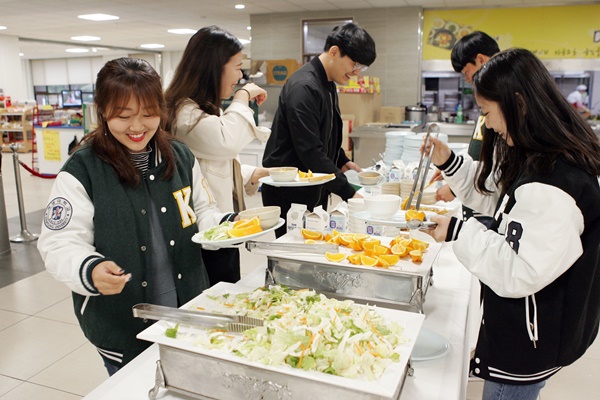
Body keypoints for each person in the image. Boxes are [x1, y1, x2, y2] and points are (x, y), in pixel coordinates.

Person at [423, 48, 600, 400]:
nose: (487, 124)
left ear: (518, 104)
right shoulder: (542, 155)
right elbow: (504, 203)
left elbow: (518, 270)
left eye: (488, 113)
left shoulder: (555, 182)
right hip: (529, 326)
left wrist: (457, 231)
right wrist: (450, 162)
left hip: (530, 337)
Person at [37, 57, 230, 376]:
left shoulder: (181, 157)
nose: (138, 127)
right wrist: (91, 268)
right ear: (102, 111)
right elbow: (59, 242)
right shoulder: (82, 171)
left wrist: (227, 227)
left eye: (148, 114)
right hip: (122, 325)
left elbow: (203, 212)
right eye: (123, 116)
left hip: (187, 309)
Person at [165, 25, 271, 284]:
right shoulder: (184, 114)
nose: (240, 75)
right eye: (236, 66)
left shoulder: (201, 110)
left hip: (221, 224)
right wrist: (243, 96)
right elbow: (226, 142)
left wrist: (249, 173)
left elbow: (212, 162)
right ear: (214, 67)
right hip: (201, 231)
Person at [262, 22, 376, 237]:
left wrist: (341, 160)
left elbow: (326, 132)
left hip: (314, 183)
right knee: (295, 257)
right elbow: (310, 151)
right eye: (355, 64)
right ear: (334, 52)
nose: (357, 72)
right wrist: (349, 193)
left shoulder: (328, 83)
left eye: (362, 67)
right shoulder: (304, 87)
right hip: (290, 191)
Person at [434, 31, 499, 229]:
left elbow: (499, 170)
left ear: (481, 59)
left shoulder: (503, 101)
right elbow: (480, 151)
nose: (468, 79)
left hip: (488, 206)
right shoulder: (491, 98)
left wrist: (456, 188)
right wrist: (452, 166)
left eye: (466, 72)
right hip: (478, 198)